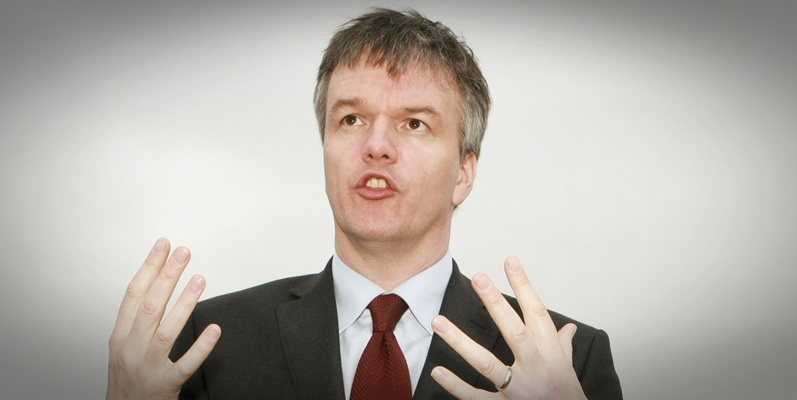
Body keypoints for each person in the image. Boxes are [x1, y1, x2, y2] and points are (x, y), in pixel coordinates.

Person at [106, 7, 622, 400]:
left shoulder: (566, 358)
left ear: (463, 174)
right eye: (350, 119)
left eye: (414, 123)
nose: (376, 146)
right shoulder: (205, 342)